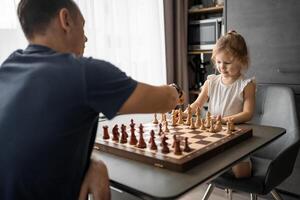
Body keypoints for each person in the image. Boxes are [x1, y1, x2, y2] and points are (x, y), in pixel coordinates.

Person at [0, 0, 184, 200]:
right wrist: (176, 90)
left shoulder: (8, 66)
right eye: (83, 26)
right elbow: (165, 100)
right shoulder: (84, 72)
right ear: (66, 20)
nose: (86, 38)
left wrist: (91, 161)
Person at [186, 30, 256, 178]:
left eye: (227, 63)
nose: (221, 67)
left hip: (234, 134)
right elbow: (198, 104)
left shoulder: (246, 85)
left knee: (242, 175)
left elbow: (248, 113)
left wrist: (225, 120)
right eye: (218, 62)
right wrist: (186, 113)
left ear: (242, 61)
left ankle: (245, 159)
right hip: (213, 132)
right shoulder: (211, 81)